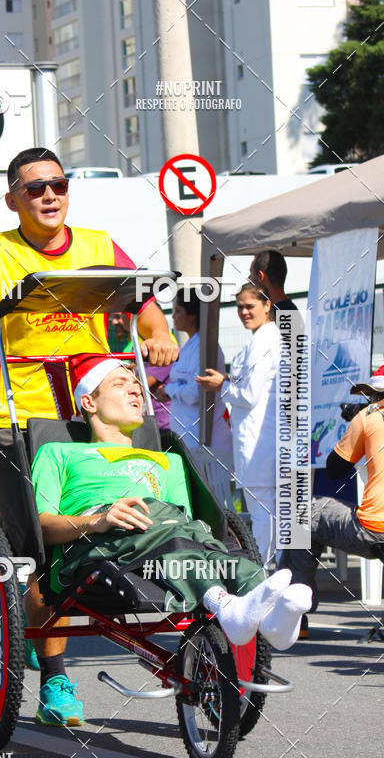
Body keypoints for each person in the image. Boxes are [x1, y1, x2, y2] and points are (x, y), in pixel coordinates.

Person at [0, 147, 178, 670]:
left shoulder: (98, 244)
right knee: (43, 546)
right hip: (19, 414)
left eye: (58, 185)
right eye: (35, 188)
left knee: (141, 509)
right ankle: (55, 678)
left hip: (92, 410)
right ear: (12, 198)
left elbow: (147, 310)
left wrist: (160, 337)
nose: (48, 195)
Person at [30, 356, 311, 725]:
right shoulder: (60, 453)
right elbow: (41, 525)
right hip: (98, 543)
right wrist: (97, 520)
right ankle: (228, 605)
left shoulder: (167, 460)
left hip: (161, 536)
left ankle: (272, 618)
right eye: (120, 383)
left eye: (136, 383)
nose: (135, 389)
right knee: (171, 528)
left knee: (198, 536)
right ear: (89, 402)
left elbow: (188, 526)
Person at [279, 366, 384, 618]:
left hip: (375, 529)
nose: (369, 400)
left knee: (305, 515)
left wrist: (357, 420)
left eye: (371, 395)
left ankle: (294, 613)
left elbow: (335, 468)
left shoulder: (368, 417)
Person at [197, 281, 280, 565]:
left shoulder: (264, 341)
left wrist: (221, 384)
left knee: (262, 509)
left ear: (267, 305)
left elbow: (249, 394)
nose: (244, 312)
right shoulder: (262, 339)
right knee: (266, 508)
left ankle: (261, 570)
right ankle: (268, 568)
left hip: (260, 440)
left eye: (250, 306)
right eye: (240, 307)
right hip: (259, 438)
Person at [158, 289, 232, 453]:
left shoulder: (203, 348)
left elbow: (196, 392)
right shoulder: (189, 346)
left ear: (192, 315)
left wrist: (168, 390)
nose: (173, 316)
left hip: (204, 440)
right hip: (189, 437)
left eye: (178, 311)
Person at [108, 311, 172, 432]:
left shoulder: (159, 345)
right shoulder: (132, 344)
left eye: (118, 316)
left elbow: (144, 385)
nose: (114, 322)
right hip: (144, 419)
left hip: (160, 424)